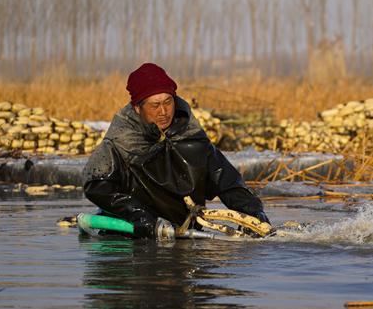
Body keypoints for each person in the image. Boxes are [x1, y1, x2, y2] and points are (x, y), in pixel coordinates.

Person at [83, 63, 268, 239]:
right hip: (133, 238)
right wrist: (137, 213)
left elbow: (226, 181)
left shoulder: (193, 138)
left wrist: (252, 212)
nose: (163, 111)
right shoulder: (120, 143)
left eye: (168, 102)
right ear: (137, 108)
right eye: (155, 105)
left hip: (184, 235)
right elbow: (97, 187)